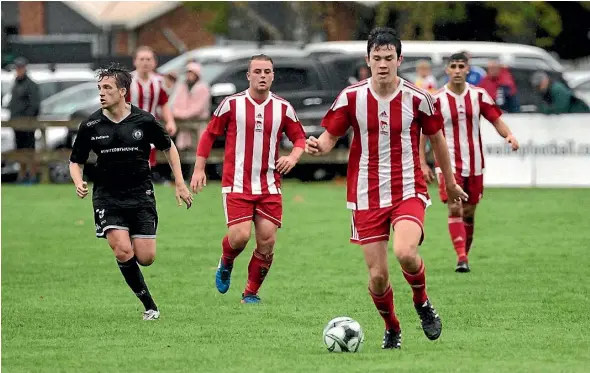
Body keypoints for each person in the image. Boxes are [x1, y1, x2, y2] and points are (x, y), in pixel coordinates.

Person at [305, 27, 468, 350]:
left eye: (388, 58)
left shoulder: (418, 98)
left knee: (405, 252)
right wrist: (319, 146)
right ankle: (392, 327)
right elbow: (330, 137)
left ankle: (422, 302)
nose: (382, 64)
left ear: (399, 59)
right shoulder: (351, 97)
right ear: (368, 60)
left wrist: (450, 183)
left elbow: (438, 141)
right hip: (365, 195)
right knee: (378, 276)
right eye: (377, 58)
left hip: (408, 188)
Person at [69, 63, 193, 320]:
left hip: (140, 195)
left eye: (107, 88)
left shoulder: (144, 120)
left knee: (146, 258)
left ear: (123, 91)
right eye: (99, 88)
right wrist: (78, 180)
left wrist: (180, 183)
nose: (101, 93)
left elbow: (168, 147)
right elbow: (75, 160)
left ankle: (136, 274)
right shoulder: (91, 124)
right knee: (123, 250)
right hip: (107, 196)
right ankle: (149, 306)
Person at [190, 54, 307, 304]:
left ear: (273, 75)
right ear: (249, 76)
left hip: (269, 185)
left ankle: (251, 293)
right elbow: (209, 135)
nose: (262, 76)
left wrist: (293, 157)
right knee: (240, 237)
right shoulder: (231, 104)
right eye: (257, 71)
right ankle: (226, 261)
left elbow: (299, 138)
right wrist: (199, 169)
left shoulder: (283, 107)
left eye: (267, 71)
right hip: (237, 183)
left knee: (267, 241)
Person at [420, 52, 519, 273]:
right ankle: (461, 258)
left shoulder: (479, 95)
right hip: (448, 164)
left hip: (474, 163)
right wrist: (422, 162)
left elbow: (495, 119)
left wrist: (509, 135)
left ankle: (464, 253)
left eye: (460, 66)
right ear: (447, 70)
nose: (456, 70)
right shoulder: (436, 99)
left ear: (467, 70)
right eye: (452, 66)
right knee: (455, 207)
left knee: (469, 211)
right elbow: (424, 133)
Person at [126, 46, 177, 170]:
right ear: (135, 61)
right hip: (128, 127)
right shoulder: (127, 80)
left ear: (154, 62)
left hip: (150, 128)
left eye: (148, 59)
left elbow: (164, 104)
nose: (145, 63)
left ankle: (144, 188)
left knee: (146, 164)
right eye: (142, 59)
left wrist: (170, 122)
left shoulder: (159, 81)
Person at [8, 57, 40, 182]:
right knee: (19, 150)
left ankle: (31, 175)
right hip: (17, 124)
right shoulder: (16, 84)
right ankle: (21, 175)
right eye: (17, 68)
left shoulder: (31, 85)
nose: (18, 70)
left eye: (20, 68)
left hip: (27, 124)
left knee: (29, 149)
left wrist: (27, 120)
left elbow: (34, 105)